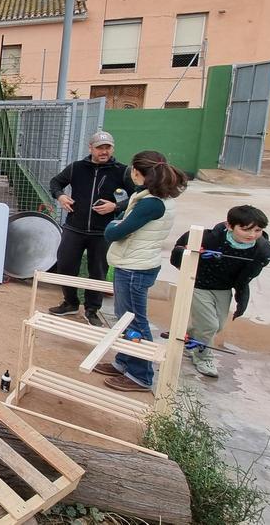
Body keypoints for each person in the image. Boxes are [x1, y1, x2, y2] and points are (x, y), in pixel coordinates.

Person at [93, 150, 187, 392]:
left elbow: (114, 232)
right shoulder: (152, 196)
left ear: (138, 172)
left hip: (135, 266)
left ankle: (140, 375)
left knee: (134, 320)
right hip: (134, 262)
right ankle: (124, 361)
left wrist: (115, 223)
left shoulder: (151, 204)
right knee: (125, 318)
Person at [170, 205, 270, 378]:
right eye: (245, 229)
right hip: (198, 285)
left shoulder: (261, 249)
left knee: (216, 326)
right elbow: (179, 251)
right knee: (209, 325)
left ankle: (190, 338)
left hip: (223, 288)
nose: (252, 235)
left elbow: (249, 274)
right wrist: (191, 252)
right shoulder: (209, 238)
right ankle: (204, 357)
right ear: (229, 226)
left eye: (257, 230)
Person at [47, 131, 134, 326]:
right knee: (66, 265)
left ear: (112, 148)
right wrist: (60, 196)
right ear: (91, 148)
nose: (104, 151)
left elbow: (136, 196)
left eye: (107, 147)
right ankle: (70, 302)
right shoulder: (77, 168)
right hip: (74, 227)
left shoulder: (122, 171)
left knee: (98, 271)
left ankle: (92, 309)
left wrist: (116, 206)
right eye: (100, 148)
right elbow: (55, 182)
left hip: (102, 231)